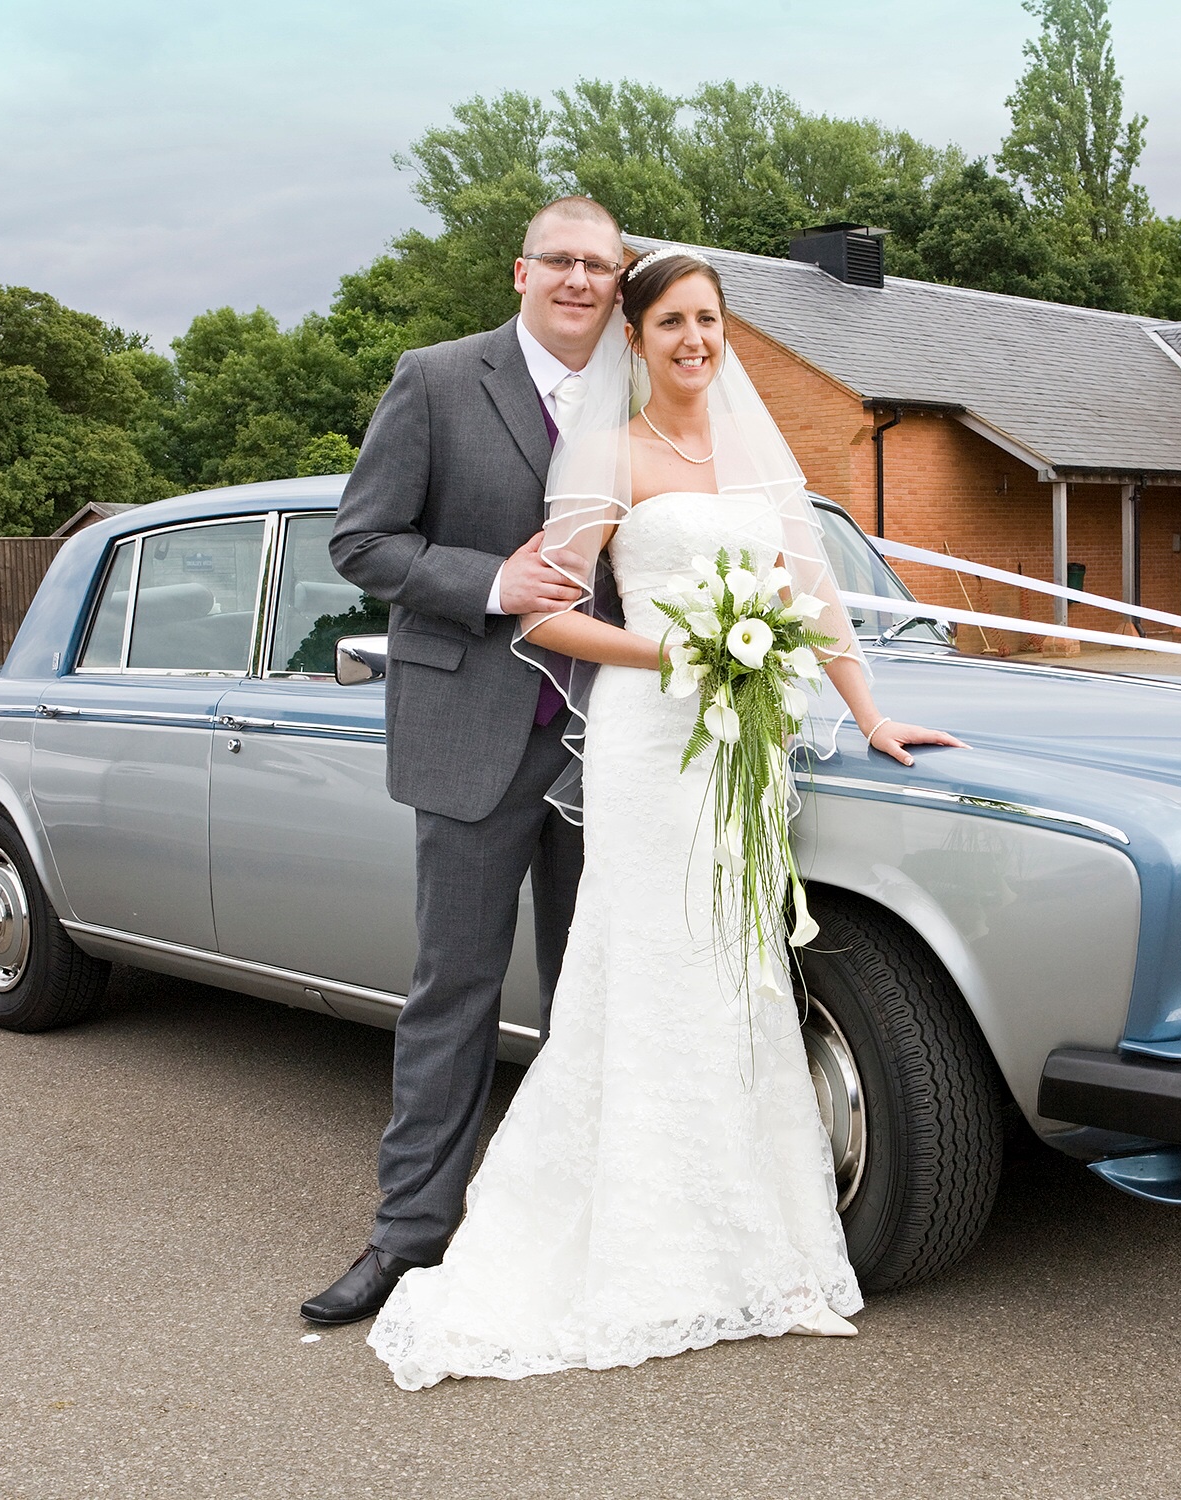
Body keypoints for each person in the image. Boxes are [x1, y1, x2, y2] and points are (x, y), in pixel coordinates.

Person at [365, 247, 965, 1389]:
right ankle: (635, 1247)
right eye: (674, 323)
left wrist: (872, 713)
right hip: (652, 741)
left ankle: (758, 1243)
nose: (696, 340)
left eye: (710, 320)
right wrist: (675, 650)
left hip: (743, 743)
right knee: (644, 974)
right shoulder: (609, 454)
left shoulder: (754, 450)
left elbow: (815, 593)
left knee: (733, 973)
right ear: (634, 341)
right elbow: (544, 618)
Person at [307, 197, 627, 1325]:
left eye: (599, 264)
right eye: (562, 261)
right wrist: (496, 584)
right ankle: (408, 1237)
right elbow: (363, 539)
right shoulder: (437, 379)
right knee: (455, 993)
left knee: (600, 1000)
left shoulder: (648, 390)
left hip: (615, 751)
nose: (580, 279)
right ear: (521, 272)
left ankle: (589, 1227)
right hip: (474, 740)